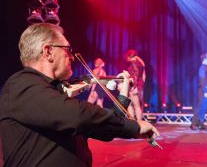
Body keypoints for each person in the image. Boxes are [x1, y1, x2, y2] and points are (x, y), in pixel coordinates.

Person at [0, 23, 159, 166]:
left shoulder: (55, 90)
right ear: (48, 52)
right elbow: (79, 115)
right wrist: (134, 127)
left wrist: (123, 93)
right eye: (67, 50)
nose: (71, 57)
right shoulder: (21, 85)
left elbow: (104, 129)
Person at [191, 53, 207, 130]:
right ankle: (194, 124)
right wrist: (205, 91)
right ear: (205, 59)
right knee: (199, 107)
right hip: (203, 91)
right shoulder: (202, 68)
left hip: (206, 90)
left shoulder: (206, 67)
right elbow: (202, 80)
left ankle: (200, 123)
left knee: (204, 107)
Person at [124, 49, 146, 121]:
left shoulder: (134, 63)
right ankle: (133, 121)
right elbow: (143, 77)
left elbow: (135, 75)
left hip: (134, 86)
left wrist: (135, 86)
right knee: (131, 105)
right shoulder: (140, 63)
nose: (126, 59)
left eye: (127, 57)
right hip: (137, 85)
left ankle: (139, 123)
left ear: (129, 56)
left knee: (136, 106)